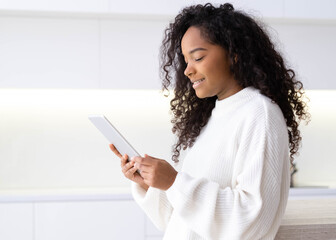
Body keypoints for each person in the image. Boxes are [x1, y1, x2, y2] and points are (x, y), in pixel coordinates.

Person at [110, 2, 309, 240]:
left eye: (198, 57)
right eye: (185, 60)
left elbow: (253, 221)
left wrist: (175, 182)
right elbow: (181, 221)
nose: (187, 70)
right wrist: (152, 185)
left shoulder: (259, 114)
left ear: (234, 54)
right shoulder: (213, 117)